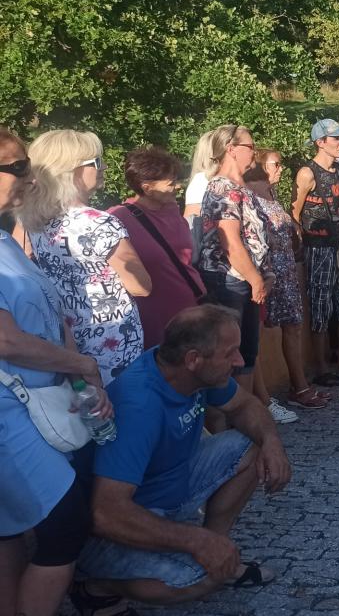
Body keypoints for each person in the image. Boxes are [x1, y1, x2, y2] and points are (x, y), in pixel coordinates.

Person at [74, 305, 291, 610]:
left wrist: (272, 441)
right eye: (230, 353)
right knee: (200, 579)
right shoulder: (140, 407)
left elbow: (245, 405)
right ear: (193, 359)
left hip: (170, 492)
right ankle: (95, 586)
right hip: (118, 530)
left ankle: (218, 551)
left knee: (251, 445)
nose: (240, 362)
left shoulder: (188, 373)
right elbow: (106, 514)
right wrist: (194, 541)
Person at [0, 128, 109, 616]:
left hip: (38, 405)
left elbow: (50, 319)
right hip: (9, 414)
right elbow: (5, 340)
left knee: (9, 533)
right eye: (17, 167)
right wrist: (83, 364)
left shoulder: (8, 239)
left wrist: (83, 382)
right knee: (65, 525)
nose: (29, 176)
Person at [17, 130, 151, 385]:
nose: (104, 167)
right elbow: (141, 286)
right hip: (112, 342)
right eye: (96, 162)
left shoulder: (32, 220)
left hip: (66, 341)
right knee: (122, 404)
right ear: (72, 171)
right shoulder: (100, 223)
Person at [196, 125, 296, 425]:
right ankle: (225, 427)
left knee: (246, 354)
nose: (254, 151)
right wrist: (255, 278)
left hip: (246, 280)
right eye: (250, 146)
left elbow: (255, 237)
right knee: (226, 356)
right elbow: (230, 240)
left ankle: (244, 423)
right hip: (229, 281)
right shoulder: (222, 189)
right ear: (231, 149)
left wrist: (265, 274)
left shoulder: (241, 189)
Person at [244, 152, 330, 411]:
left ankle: (299, 385)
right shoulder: (250, 195)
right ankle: (261, 397)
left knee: (293, 326)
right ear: (261, 166)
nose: (281, 169)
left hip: (286, 271)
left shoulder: (271, 193)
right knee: (257, 333)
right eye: (276, 164)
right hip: (267, 273)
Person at [109, 147, 206, 350]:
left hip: (189, 306)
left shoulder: (172, 210)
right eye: (170, 183)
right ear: (147, 188)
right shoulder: (117, 218)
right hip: (154, 314)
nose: (177, 187)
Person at [293, 119, 339, 384]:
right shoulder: (307, 173)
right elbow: (295, 211)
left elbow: (338, 197)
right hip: (318, 248)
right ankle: (322, 367)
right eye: (336, 139)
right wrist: (298, 243)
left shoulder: (338, 169)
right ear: (320, 142)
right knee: (320, 306)